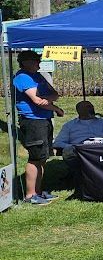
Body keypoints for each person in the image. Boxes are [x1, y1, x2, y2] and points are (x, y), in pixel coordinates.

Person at [13, 50, 64, 205]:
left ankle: (39, 191)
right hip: (32, 121)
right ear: (25, 61)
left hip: (44, 120)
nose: (39, 63)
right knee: (35, 157)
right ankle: (30, 195)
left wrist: (48, 100)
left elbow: (54, 94)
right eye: (35, 60)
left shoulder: (38, 76)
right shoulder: (22, 77)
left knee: (42, 158)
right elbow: (37, 101)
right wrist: (56, 109)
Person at [52, 101, 103, 171]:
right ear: (79, 110)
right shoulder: (69, 126)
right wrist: (74, 147)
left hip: (101, 150)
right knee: (69, 153)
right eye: (88, 107)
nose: (91, 109)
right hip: (80, 152)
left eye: (91, 107)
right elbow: (58, 142)